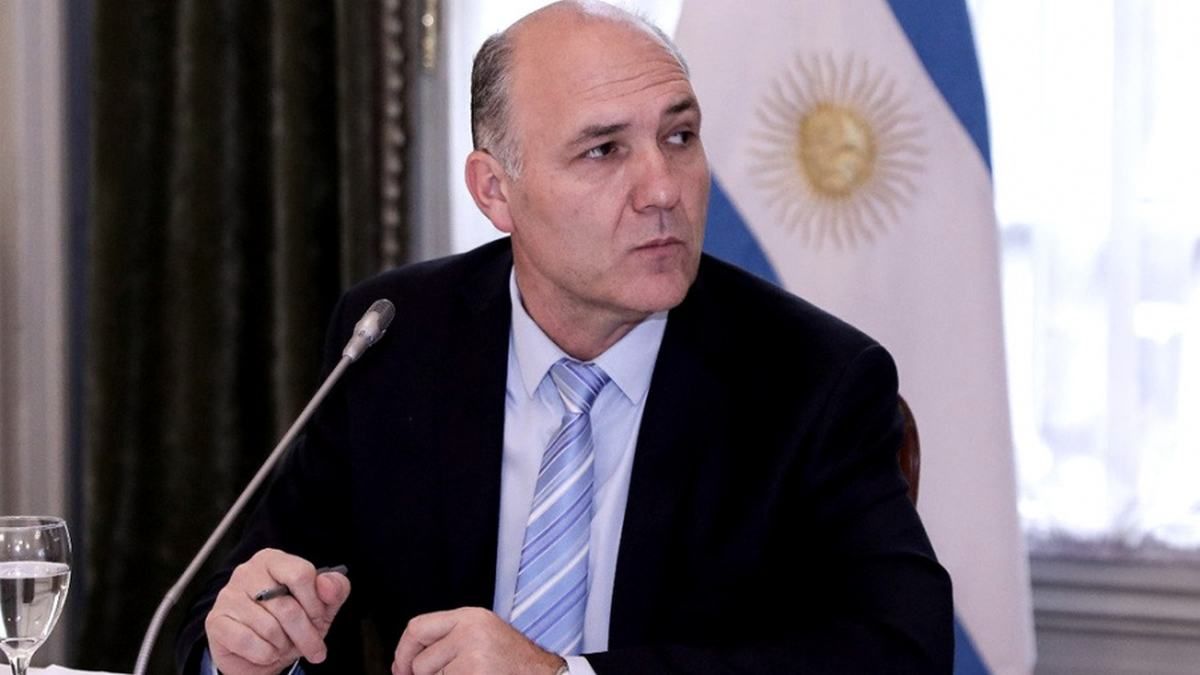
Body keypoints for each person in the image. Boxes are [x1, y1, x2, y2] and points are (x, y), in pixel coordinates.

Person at [176, 2, 953, 673]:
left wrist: (561, 674)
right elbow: (258, 586)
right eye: (604, 150)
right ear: (495, 191)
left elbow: (902, 651)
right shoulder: (397, 339)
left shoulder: (811, 380)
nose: (662, 189)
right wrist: (241, 644)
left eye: (680, 136)